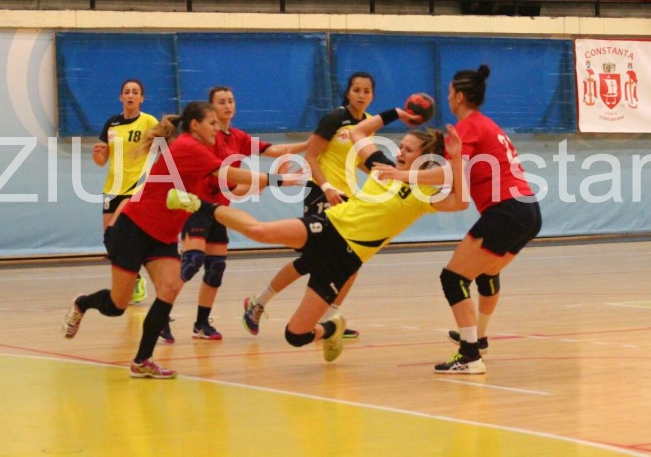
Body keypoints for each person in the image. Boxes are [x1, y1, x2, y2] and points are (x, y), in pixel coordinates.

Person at [167, 105, 468, 363]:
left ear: (425, 156)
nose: (399, 151)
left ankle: (331, 329)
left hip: (348, 257)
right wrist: (393, 114)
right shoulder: (382, 166)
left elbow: (461, 200)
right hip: (329, 226)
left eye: (407, 149)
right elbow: (357, 133)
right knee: (259, 231)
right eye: (400, 146)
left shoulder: (424, 193)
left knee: (295, 335)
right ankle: (197, 203)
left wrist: (454, 156)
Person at [63, 101, 304, 379]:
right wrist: (276, 179)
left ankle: (142, 360)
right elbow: (228, 174)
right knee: (118, 305)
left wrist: (261, 183)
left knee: (171, 286)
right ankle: (82, 303)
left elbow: (228, 185)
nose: (217, 128)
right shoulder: (187, 146)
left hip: (162, 235)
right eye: (211, 123)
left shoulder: (202, 153)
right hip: (134, 228)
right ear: (194, 125)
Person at [374, 65, 541, 374]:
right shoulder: (486, 125)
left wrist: (401, 174)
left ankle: (469, 355)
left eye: (450, 92)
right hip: (528, 210)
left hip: (506, 209)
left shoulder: (467, 128)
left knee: (453, 278)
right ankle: (479, 337)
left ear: (460, 96)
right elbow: (458, 180)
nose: (447, 97)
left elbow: (451, 173)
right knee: (486, 273)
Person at [163, 86, 308, 343]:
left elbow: (274, 151)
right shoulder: (206, 138)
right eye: (221, 102)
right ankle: (162, 313)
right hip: (197, 206)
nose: (228, 105)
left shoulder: (238, 137)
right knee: (193, 261)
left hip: (220, 210)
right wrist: (269, 180)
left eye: (231, 100)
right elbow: (223, 177)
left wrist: (311, 143)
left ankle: (201, 323)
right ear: (210, 110)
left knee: (215, 268)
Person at [242, 72, 376, 340]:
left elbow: (355, 159)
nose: (361, 95)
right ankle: (258, 303)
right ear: (348, 93)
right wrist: (326, 187)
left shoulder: (369, 123)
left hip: (348, 200)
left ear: (372, 95)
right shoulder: (335, 119)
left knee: (351, 261)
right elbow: (312, 156)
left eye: (367, 91)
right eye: (356, 90)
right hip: (321, 194)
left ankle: (330, 321)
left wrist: (376, 170)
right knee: (313, 259)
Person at [92, 79, 158, 306]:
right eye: (127, 92)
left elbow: (165, 148)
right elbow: (102, 161)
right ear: (120, 97)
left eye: (135, 92)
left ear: (142, 98)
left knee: (117, 230)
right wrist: (97, 154)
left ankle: (135, 283)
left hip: (137, 186)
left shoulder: (149, 121)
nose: (130, 95)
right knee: (110, 240)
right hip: (113, 187)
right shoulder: (112, 124)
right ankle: (136, 279)